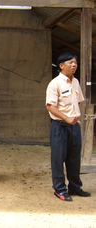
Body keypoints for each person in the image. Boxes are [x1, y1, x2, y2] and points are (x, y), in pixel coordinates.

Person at [46, 52, 91, 201]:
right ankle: (59, 189)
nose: (74, 65)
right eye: (71, 62)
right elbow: (50, 106)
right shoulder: (55, 83)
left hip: (74, 127)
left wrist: (74, 117)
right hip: (60, 127)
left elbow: (77, 102)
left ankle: (75, 186)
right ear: (61, 65)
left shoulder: (76, 82)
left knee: (74, 158)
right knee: (58, 159)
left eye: (76, 63)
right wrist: (66, 117)